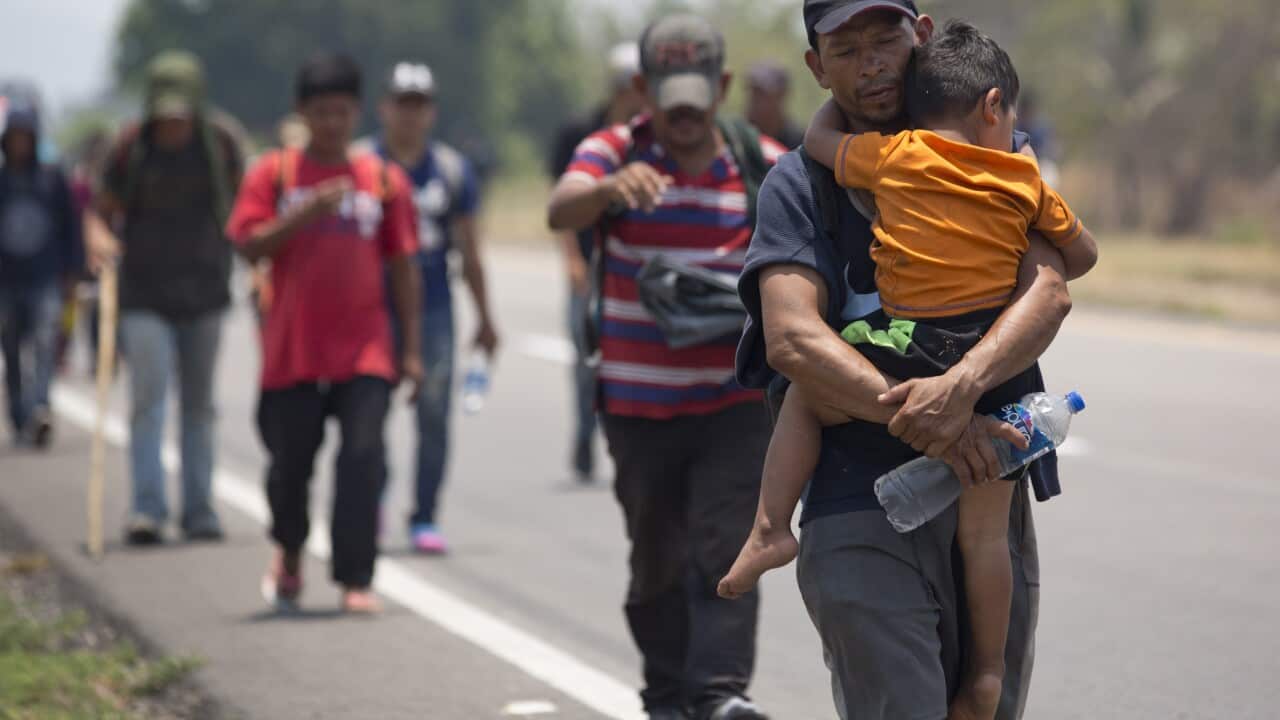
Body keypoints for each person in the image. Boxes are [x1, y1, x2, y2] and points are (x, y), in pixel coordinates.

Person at [721, 19, 1098, 719]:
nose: (869, 67)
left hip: (988, 483)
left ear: (919, 35)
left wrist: (958, 390)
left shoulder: (998, 155)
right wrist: (939, 420)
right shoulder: (800, 187)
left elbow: (1049, 291)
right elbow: (792, 339)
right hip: (860, 508)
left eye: (884, 42)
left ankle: (771, 527)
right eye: (845, 52)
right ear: (816, 65)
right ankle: (773, 528)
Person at [548, 14, 785, 720]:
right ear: (641, 88)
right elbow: (562, 209)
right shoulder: (612, 150)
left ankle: (718, 694)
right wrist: (608, 190)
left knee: (727, 548)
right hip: (636, 407)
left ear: (723, 87)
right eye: (668, 100)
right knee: (657, 559)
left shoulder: (760, 162)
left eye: (696, 100)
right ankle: (667, 693)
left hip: (733, 404)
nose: (683, 118)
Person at [226, 52, 423, 614]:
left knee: (363, 459)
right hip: (292, 350)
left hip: (365, 349)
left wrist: (411, 351)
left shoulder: (383, 181)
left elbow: (404, 267)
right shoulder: (275, 174)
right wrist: (303, 215)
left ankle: (355, 577)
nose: (332, 124)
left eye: (341, 112)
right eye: (320, 112)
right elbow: (246, 244)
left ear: (357, 112)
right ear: (302, 112)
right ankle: (289, 550)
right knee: (291, 465)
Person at [85, 51, 243, 545]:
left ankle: (199, 511)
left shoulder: (220, 143)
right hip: (143, 294)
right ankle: (147, 509)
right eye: (165, 114)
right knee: (148, 399)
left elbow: (246, 208)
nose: (172, 125)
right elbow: (99, 209)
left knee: (199, 406)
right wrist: (99, 238)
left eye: (180, 115)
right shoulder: (131, 146)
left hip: (205, 291)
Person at [366, 61, 497, 555]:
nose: (410, 115)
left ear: (431, 112)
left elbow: (470, 252)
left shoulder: (449, 170)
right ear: (385, 107)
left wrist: (485, 318)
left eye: (419, 105)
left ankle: (424, 515)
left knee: (435, 414)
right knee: (368, 408)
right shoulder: (364, 165)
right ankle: (371, 497)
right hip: (373, 308)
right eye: (402, 104)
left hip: (434, 308)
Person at [548, 42, 646, 483]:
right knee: (587, 359)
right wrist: (572, 261)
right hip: (591, 264)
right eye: (624, 86)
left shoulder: (655, 137)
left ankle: (626, 441)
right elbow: (561, 202)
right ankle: (585, 434)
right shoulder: (581, 134)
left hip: (642, 268)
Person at [0, 100, 82, 448]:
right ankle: (19, 414)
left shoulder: (51, 180)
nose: (20, 143)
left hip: (45, 277)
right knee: (12, 349)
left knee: (46, 344)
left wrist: (74, 271)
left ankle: (40, 407)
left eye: (26, 136)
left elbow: (71, 227)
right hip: (6, 280)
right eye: (14, 137)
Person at [744, 61, 804, 149]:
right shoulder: (739, 139)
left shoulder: (800, 143)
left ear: (781, 95)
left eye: (762, 93)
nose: (755, 100)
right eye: (753, 92)